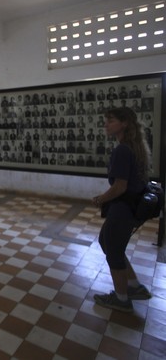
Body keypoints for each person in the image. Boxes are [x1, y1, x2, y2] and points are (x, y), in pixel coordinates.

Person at [92, 107, 152, 313]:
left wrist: (101, 198)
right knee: (105, 241)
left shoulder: (122, 150)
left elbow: (120, 186)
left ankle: (122, 299)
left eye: (111, 120)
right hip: (129, 206)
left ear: (124, 123)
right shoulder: (134, 147)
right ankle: (135, 287)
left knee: (114, 252)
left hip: (122, 208)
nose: (106, 124)